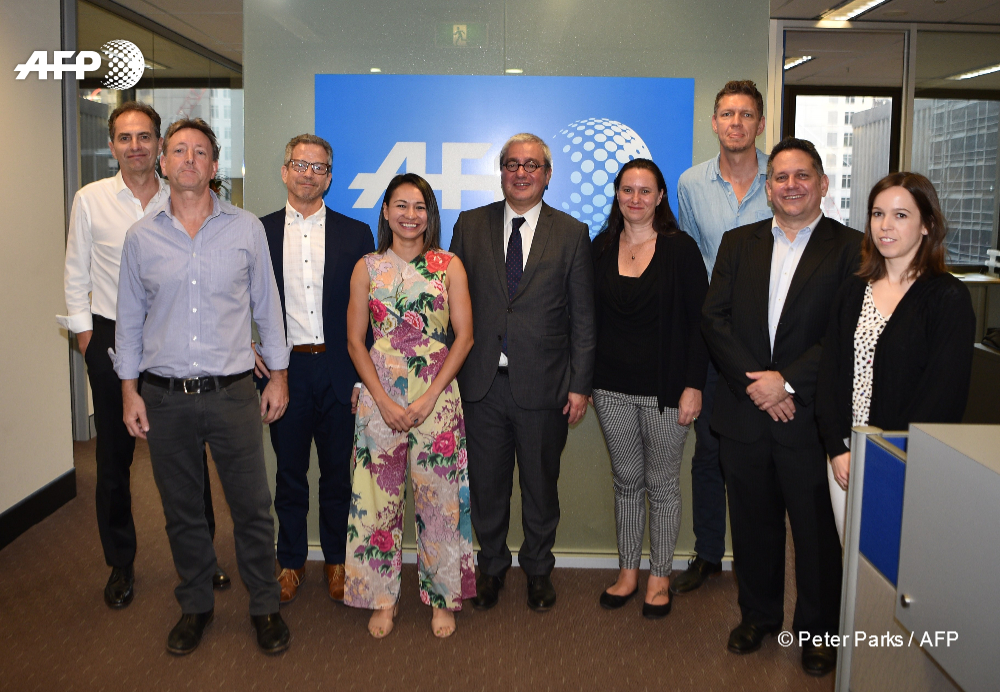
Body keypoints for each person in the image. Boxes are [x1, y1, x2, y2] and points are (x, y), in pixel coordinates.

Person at [114, 118, 291, 655]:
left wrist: (279, 376)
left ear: (214, 166)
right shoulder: (140, 237)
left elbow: (268, 308)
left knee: (252, 508)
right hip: (164, 397)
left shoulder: (246, 229)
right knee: (182, 510)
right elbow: (128, 320)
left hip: (232, 393)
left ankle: (264, 606)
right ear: (163, 163)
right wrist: (128, 391)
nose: (188, 159)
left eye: (200, 152)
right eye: (178, 150)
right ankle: (195, 605)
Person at [58, 102, 228, 609]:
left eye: (145, 137)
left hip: (175, 334)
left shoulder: (182, 195)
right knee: (114, 458)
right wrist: (88, 341)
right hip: (112, 336)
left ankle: (202, 557)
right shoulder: (90, 200)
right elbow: (75, 274)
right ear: (112, 145)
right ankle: (121, 562)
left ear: (159, 145)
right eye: (125, 137)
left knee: (190, 454)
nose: (135, 146)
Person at [702, 137, 861, 677]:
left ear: (822, 183)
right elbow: (714, 319)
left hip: (811, 418)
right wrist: (760, 386)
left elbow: (848, 335)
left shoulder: (852, 249)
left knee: (816, 536)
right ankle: (758, 616)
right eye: (781, 177)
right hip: (745, 413)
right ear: (767, 188)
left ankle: (818, 632)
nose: (791, 185)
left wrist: (787, 383)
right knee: (752, 528)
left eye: (802, 176)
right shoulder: (737, 243)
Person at [449, 133, 595, 613]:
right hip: (481, 386)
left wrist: (579, 385)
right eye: (512, 164)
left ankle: (538, 569)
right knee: (486, 486)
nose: (521, 173)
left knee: (540, 486)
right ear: (502, 172)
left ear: (547, 175)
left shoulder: (572, 232)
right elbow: (450, 306)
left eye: (532, 165)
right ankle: (491, 567)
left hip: (545, 387)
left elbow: (583, 318)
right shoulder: (470, 225)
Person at [344, 173, 475, 638]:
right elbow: (355, 342)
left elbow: (465, 337)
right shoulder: (367, 267)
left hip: (436, 395)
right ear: (385, 211)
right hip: (378, 396)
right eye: (400, 205)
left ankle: (442, 598)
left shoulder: (449, 265)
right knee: (376, 500)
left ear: (429, 214)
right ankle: (382, 598)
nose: (410, 215)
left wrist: (430, 395)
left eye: (419, 207)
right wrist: (381, 400)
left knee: (440, 501)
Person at [817, 172, 976, 538]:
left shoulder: (948, 298)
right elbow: (830, 375)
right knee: (851, 562)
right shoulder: (853, 290)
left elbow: (943, 397)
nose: (885, 225)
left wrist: (887, 457)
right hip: (844, 456)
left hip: (904, 461)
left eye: (900, 215)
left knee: (892, 566)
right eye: (878, 214)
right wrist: (836, 448)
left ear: (927, 225)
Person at [255, 134, 374, 604]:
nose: (308, 174)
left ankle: (337, 561)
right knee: (288, 473)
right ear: (285, 171)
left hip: (340, 370)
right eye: (300, 165)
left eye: (319, 167)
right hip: (284, 371)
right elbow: (234, 296)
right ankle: (289, 562)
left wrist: (363, 377)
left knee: (338, 475)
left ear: (329, 177)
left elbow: (369, 312)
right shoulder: (257, 231)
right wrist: (246, 346)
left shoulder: (356, 234)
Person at [590, 159, 708, 618]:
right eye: (627, 190)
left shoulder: (681, 250)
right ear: (617, 195)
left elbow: (700, 324)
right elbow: (588, 318)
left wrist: (694, 385)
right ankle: (628, 573)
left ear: (660, 197)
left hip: (667, 390)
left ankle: (659, 575)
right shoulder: (601, 247)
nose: (635, 198)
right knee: (625, 482)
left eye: (645, 190)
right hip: (610, 388)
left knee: (661, 485)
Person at [674, 80, 772, 594]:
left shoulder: (781, 179)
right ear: (714, 123)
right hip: (714, 339)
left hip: (769, 340)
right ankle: (708, 552)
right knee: (708, 452)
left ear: (761, 124)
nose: (736, 123)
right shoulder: (690, 184)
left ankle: (764, 560)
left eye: (746, 114)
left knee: (766, 455)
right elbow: (692, 261)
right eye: (728, 114)